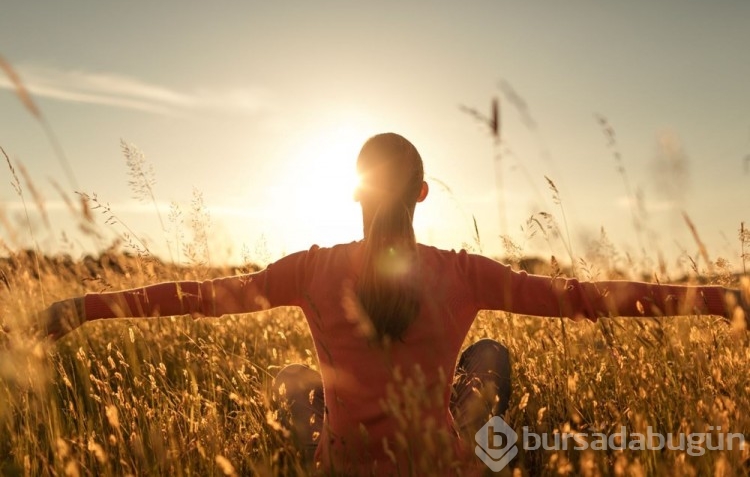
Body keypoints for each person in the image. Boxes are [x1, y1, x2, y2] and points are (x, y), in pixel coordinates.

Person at [38, 133, 747, 476]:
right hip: (437, 462)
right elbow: (586, 299)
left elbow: (198, 300)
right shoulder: (463, 274)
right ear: (424, 194)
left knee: (290, 377)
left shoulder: (310, 270)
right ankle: (481, 440)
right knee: (491, 357)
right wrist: (721, 300)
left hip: (344, 463)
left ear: (354, 194)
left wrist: (86, 307)